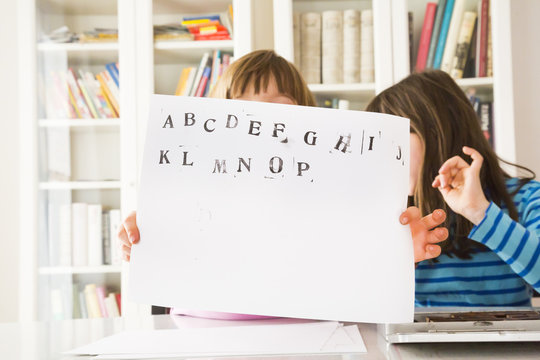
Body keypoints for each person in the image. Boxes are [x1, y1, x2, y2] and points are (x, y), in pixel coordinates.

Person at [118, 50, 448, 319]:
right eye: (243, 109)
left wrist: (395, 253)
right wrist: (145, 237)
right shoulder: (194, 187)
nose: (261, 122)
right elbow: (166, 246)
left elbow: (354, 274)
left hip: (311, 336)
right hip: (200, 330)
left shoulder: (333, 198)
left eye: (279, 108)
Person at [366, 69, 540, 307]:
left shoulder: (526, 198)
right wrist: (396, 261)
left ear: (435, 134)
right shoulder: (393, 215)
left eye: (392, 138)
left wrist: (481, 212)